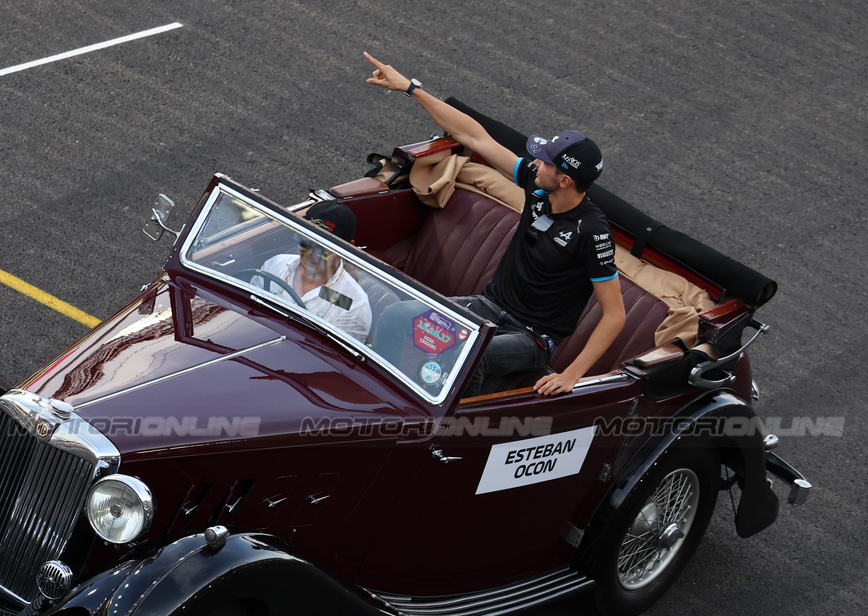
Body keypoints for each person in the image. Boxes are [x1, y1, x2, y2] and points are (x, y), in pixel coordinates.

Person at [364, 52, 625, 397]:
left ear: (564, 181)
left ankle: (447, 437)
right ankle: (373, 392)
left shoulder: (593, 232)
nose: (535, 163)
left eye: (545, 162)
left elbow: (615, 315)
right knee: (399, 316)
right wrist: (411, 89)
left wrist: (572, 374)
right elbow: (476, 138)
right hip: (488, 307)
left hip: (533, 336)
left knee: (470, 357)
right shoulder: (536, 182)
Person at [255, 201, 372, 342]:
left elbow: (332, 360)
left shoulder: (354, 305)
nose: (310, 255)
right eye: (305, 242)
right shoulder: (275, 265)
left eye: (323, 250)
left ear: (347, 249)